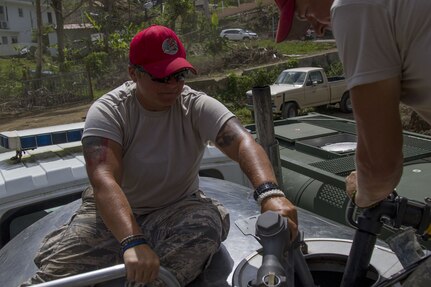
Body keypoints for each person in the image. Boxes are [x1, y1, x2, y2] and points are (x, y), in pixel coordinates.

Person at [21, 25, 298, 287]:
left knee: (205, 226)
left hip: (177, 207)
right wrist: (131, 241)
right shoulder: (109, 111)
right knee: (55, 276)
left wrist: (270, 194)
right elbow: (104, 178)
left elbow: (242, 143)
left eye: (179, 75)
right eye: (161, 77)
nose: (173, 85)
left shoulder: (195, 105)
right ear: (133, 73)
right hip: (110, 212)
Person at [274, 0, 431, 208]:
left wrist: (361, 193)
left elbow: (380, 166)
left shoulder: (350, 6)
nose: (318, 29)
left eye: (306, 14)